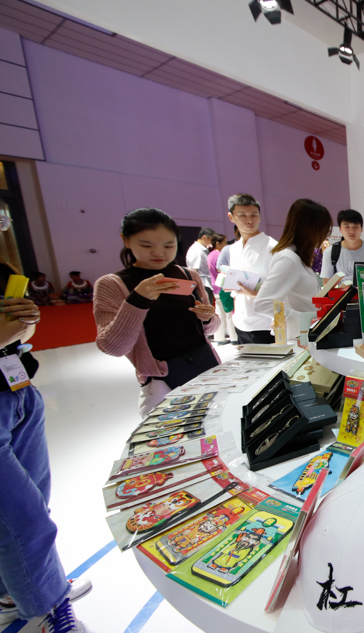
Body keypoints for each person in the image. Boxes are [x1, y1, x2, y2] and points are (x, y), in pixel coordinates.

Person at [0, 260, 91, 632]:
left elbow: (17, 331)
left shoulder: (3, 269)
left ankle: (14, 592)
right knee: (23, 517)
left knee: (33, 500)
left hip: (18, 388)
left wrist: (27, 320)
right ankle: (47, 605)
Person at [93, 208, 220, 416]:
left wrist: (208, 318)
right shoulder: (113, 285)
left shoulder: (188, 275)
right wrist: (137, 300)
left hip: (205, 367)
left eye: (169, 245)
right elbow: (113, 347)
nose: (159, 253)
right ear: (126, 240)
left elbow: (210, 328)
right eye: (146, 245)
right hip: (161, 380)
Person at [256, 199, 333, 339]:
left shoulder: (297, 257)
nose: (323, 237)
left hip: (307, 334)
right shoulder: (288, 259)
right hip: (300, 336)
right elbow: (263, 303)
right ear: (310, 229)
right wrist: (300, 319)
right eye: (323, 230)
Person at [227, 194, 278, 344]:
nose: (249, 220)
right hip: (241, 322)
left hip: (266, 323)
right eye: (242, 215)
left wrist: (255, 293)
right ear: (231, 217)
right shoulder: (233, 249)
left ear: (260, 217)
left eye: (254, 215)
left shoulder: (272, 246)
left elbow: (281, 288)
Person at [321, 209, 364, 285]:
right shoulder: (330, 252)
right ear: (340, 229)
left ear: (361, 228)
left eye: (355, 227)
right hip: (343, 292)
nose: (351, 231)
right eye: (347, 227)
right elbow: (327, 284)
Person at [207, 234, 235, 345]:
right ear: (218, 243)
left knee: (220, 314)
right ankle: (234, 337)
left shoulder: (210, 255)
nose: (226, 245)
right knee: (229, 313)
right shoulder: (219, 255)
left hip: (215, 288)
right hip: (224, 288)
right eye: (225, 242)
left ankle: (219, 337)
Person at [186, 227, 215, 299]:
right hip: (201, 284)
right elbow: (193, 270)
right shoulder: (196, 250)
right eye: (211, 240)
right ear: (204, 237)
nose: (212, 242)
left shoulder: (203, 249)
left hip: (206, 283)